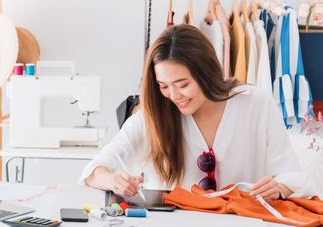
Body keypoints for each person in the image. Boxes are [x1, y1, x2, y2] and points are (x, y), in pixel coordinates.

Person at [78, 24, 316, 201]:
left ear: (206, 72)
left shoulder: (256, 103)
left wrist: (280, 188)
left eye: (183, 84)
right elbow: (93, 171)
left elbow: (294, 176)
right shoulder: (155, 116)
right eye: (163, 86)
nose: (174, 95)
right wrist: (114, 181)